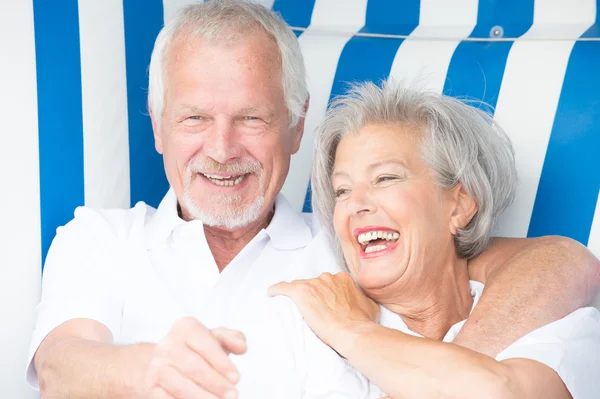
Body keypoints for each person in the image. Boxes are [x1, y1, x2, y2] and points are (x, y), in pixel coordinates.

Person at [27, 1, 599, 399]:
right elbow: (61, 368)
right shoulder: (98, 239)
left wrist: (456, 364)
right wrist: (148, 371)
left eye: (251, 117)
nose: (222, 149)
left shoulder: (349, 252)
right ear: (157, 127)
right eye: (194, 118)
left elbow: (556, 263)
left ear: (296, 127)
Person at [269, 79, 600, 399]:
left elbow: (500, 394)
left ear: (460, 205)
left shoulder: (554, 324)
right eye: (342, 190)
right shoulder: (297, 318)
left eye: (384, 178)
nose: (356, 205)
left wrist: (352, 332)